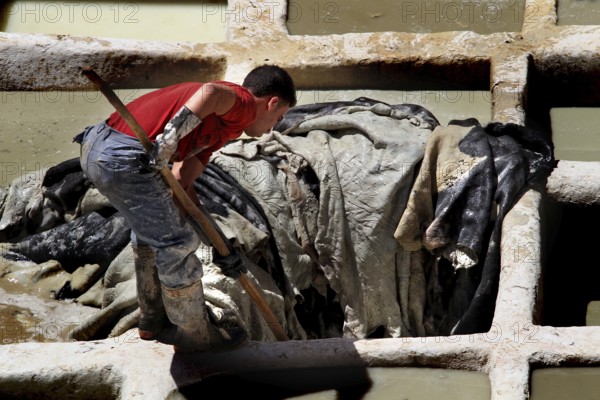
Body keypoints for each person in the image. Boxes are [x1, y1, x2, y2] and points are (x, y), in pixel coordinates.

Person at [76, 65, 297, 353]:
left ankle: (152, 319)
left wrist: (218, 242)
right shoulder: (242, 103)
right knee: (177, 244)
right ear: (272, 102)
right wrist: (170, 138)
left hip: (99, 151)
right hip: (124, 154)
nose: (271, 128)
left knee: (152, 236)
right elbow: (211, 91)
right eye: (277, 118)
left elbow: (182, 183)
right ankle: (197, 333)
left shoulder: (219, 129)